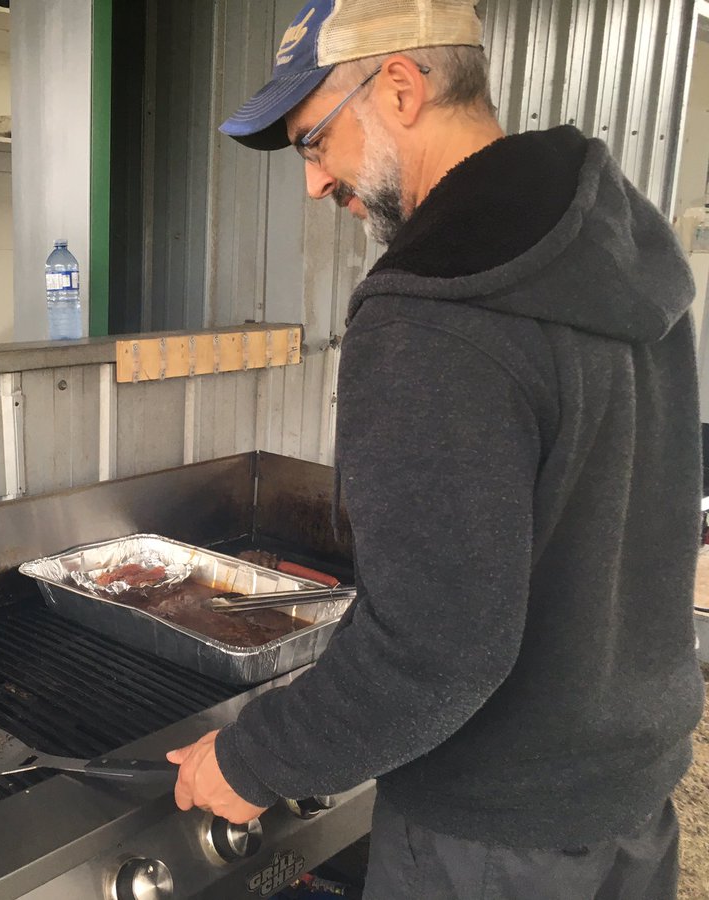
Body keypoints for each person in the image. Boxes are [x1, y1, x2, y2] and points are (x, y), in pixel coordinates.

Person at [165, 2, 705, 898]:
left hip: (492, 837)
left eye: (314, 142)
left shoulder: (433, 314)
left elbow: (436, 651)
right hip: (630, 808)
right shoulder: (624, 246)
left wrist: (253, 758)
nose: (315, 183)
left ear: (401, 88)